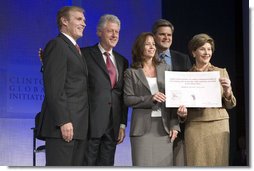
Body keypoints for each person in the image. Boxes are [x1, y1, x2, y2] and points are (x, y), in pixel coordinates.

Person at [123, 32, 187, 166]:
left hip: (163, 129)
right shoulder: (131, 72)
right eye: (147, 44)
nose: (152, 47)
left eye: (153, 44)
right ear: (140, 47)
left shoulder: (165, 68)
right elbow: (128, 99)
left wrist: (175, 125)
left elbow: (174, 100)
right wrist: (150, 98)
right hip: (141, 130)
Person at [36, 6, 89, 166]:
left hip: (78, 127)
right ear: (64, 21)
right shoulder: (57, 45)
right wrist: (63, 121)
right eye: (79, 19)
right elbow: (54, 88)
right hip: (63, 127)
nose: (84, 24)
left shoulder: (74, 49)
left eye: (84, 20)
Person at [178, 33, 236, 166]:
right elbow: (182, 109)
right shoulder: (185, 77)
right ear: (194, 52)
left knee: (219, 163)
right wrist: (182, 115)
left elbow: (231, 104)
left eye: (209, 49)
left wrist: (227, 91)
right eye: (202, 49)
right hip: (194, 126)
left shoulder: (221, 72)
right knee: (196, 163)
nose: (206, 52)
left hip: (218, 125)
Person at [81, 14, 129, 166]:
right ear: (99, 32)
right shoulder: (85, 54)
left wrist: (122, 124)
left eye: (117, 32)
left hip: (113, 126)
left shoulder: (122, 61)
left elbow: (122, 95)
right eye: (110, 31)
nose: (114, 35)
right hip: (90, 124)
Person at [152, 19, 192, 166]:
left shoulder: (183, 59)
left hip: (179, 118)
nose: (166, 38)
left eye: (169, 35)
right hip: (154, 121)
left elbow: (189, 88)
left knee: (178, 162)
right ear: (154, 36)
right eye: (162, 34)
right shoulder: (146, 58)